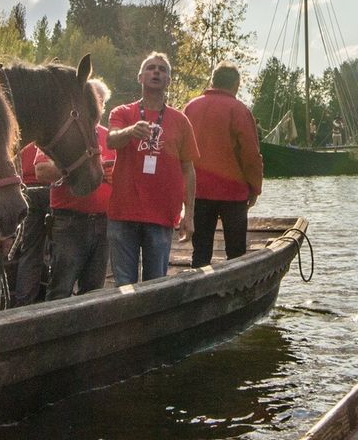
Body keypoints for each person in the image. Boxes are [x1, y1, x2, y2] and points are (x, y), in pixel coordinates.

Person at [103, 52, 198, 285]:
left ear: (168, 81)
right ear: (140, 77)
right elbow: (111, 140)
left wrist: (190, 215)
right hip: (123, 212)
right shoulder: (122, 113)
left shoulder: (180, 120)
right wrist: (130, 131)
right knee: (124, 284)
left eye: (162, 70)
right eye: (151, 68)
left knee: (156, 284)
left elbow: (188, 169)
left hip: (161, 215)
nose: (156, 72)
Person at [180, 63, 264, 265]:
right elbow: (250, 155)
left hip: (198, 191)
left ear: (213, 81)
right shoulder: (239, 110)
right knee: (236, 253)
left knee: (200, 251)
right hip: (232, 192)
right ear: (236, 84)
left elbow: (180, 152)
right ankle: (238, 292)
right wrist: (255, 188)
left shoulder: (191, 107)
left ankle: (198, 291)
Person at [40, 78, 116, 299]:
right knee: (60, 289)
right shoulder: (61, 131)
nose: (92, 105)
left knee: (94, 291)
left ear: (103, 105)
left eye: (98, 100)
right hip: (69, 222)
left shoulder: (110, 136)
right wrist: (81, 168)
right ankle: (55, 333)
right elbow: (42, 172)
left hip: (104, 222)